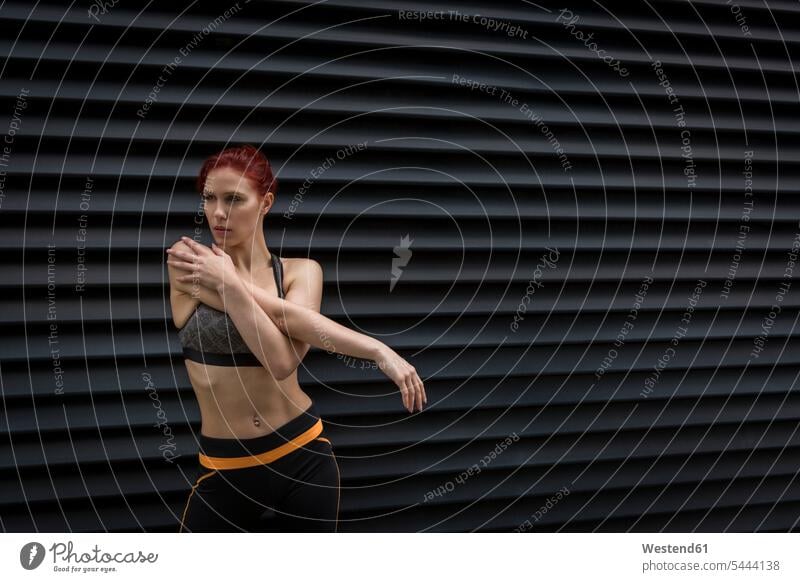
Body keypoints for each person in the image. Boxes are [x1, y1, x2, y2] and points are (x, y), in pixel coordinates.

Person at [166, 144, 426, 532]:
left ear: (266, 202)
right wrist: (232, 285)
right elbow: (283, 332)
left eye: (234, 199)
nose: (218, 213)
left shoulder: (301, 273)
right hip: (226, 465)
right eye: (209, 198)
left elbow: (283, 360)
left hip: (303, 455)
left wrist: (379, 349)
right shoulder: (188, 264)